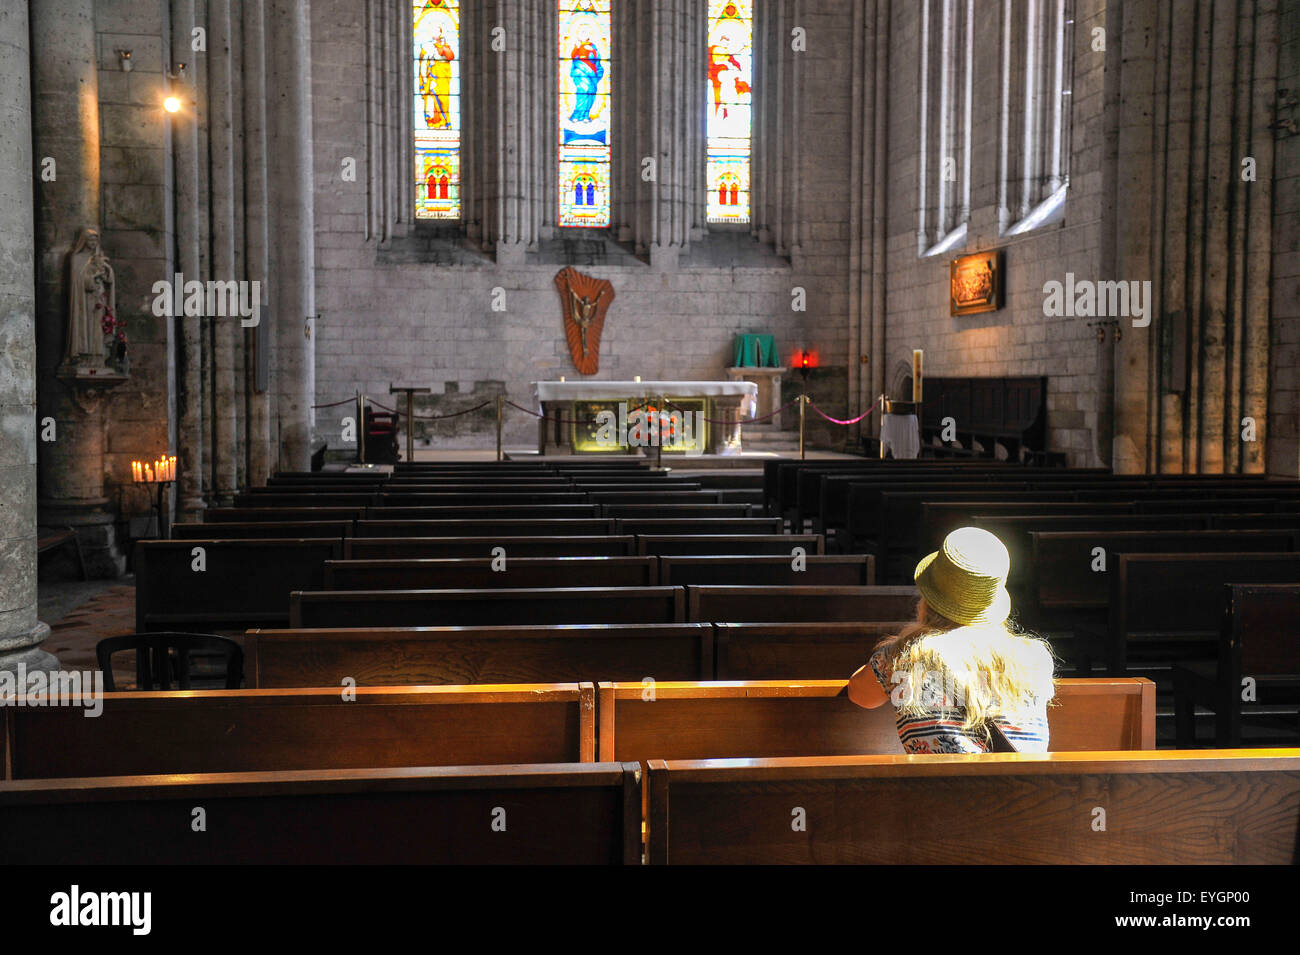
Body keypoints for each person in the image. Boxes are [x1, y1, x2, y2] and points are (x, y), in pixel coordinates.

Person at [848, 526, 1055, 753]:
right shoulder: (1035, 659)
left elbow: (859, 694)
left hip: (940, 788)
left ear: (928, 597)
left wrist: (907, 639)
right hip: (1026, 786)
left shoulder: (904, 656)